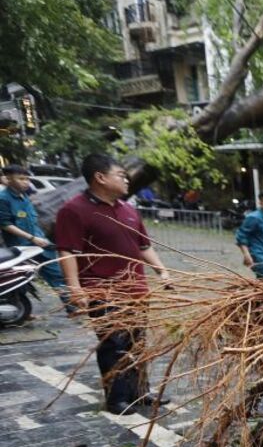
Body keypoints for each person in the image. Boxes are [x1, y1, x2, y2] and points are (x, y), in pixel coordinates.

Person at [54, 153, 173, 415]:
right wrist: (75, 288)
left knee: (137, 342)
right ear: (100, 177)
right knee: (113, 345)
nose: (126, 179)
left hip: (136, 290)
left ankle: (140, 392)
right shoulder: (73, 210)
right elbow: (67, 251)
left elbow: (143, 246)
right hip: (103, 291)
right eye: (120, 174)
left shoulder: (128, 209)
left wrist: (162, 271)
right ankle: (116, 398)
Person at [0, 165, 67, 293]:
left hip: (40, 244)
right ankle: (21, 309)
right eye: (21, 179)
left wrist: (39, 237)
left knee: (58, 276)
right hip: (22, 249)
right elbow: (5, 224)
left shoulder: (24, 196)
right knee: (20, 281)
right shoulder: (3, 199)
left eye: (27, 179)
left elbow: (31, 219)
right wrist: (31, 238)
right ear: (9, 179)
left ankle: (72, 309)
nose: (26, 182)